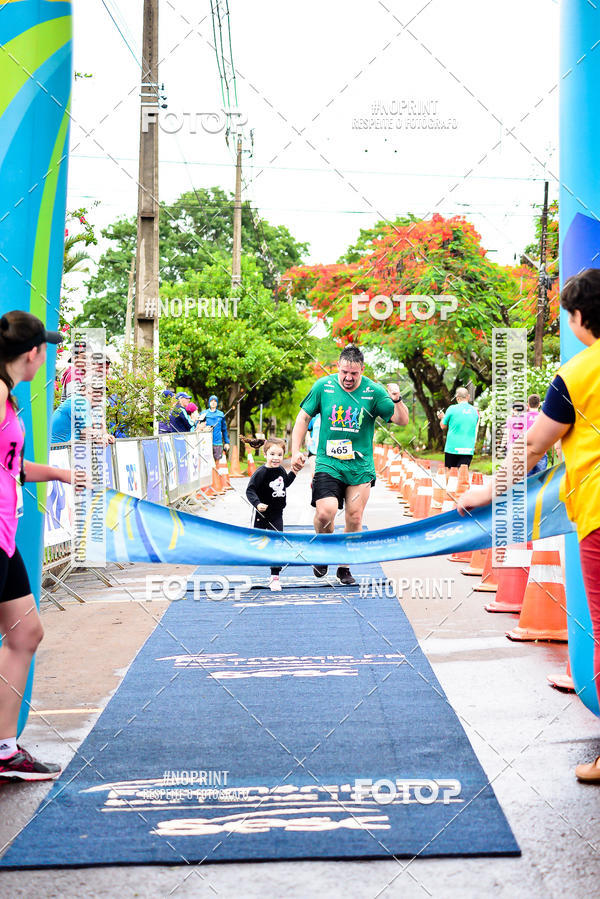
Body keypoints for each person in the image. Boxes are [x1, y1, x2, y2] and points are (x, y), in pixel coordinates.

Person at [457, 267, 600, 784]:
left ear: (582, 318)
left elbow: (535, 445)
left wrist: (483, 491)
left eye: (568, 314)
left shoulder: (579, 374)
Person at [0, 311, 73, 782]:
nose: (46, 354)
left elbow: (13, 465)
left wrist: (64, 473)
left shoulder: (9, 398)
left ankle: (4, 749)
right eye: (44, 348)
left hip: (5, 539)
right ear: (33, 354)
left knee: (26, 634)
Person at [291, 344, 409, 585]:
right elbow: (303, 417)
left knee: (355, 517)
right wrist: (295, 451)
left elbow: (401, 420)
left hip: (359, 467)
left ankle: (344, 565)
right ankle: (323, 549)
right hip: (328, 462)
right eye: (344, 372)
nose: (348, 378)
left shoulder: (373, 392)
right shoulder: (323, 386)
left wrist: (397, 399)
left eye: (354, 374)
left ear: (362, 370)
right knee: (326, 513)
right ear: (338, 367)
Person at [246, 438, 296, 592]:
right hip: (262, 514)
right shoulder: (261, 472)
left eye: (280, 455)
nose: (276, 458)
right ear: (265, 453)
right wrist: (257, 504)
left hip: (276, 514)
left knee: (277, 542)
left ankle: (275, 576)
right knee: (258, 543)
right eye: (272, 454)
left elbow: (285, 483)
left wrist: (294, 472)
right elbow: (250, 490)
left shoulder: (280, 470)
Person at [503, 394, 548, 475]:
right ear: (539, 405)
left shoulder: (520, 418)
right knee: (540, 481)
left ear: (528, 404)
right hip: (541, 453)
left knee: (527, 481)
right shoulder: (545, 417)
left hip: (526, 453)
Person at [437, 387, 479, 469]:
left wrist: (442, 417)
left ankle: (448, 482)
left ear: (457, 398)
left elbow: (443, 426)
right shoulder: (475, 411)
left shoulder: (452, 409)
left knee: (450, 472)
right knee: (463, 473)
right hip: (468, 449)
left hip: (452, 448)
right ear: (468, 396)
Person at [199, 394, 230, 462]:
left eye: (215, 401)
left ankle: (215, 473)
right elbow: (197, 426)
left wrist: (227, 442)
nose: (213, 402)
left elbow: (224, 429)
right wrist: (203, 429)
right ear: (209, 403)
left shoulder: (221, 414)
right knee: (206, 463)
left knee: (217, 463)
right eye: (211, 401)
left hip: (217, 442)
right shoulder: (204, 413)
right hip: (206, 442)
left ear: (217, 403)